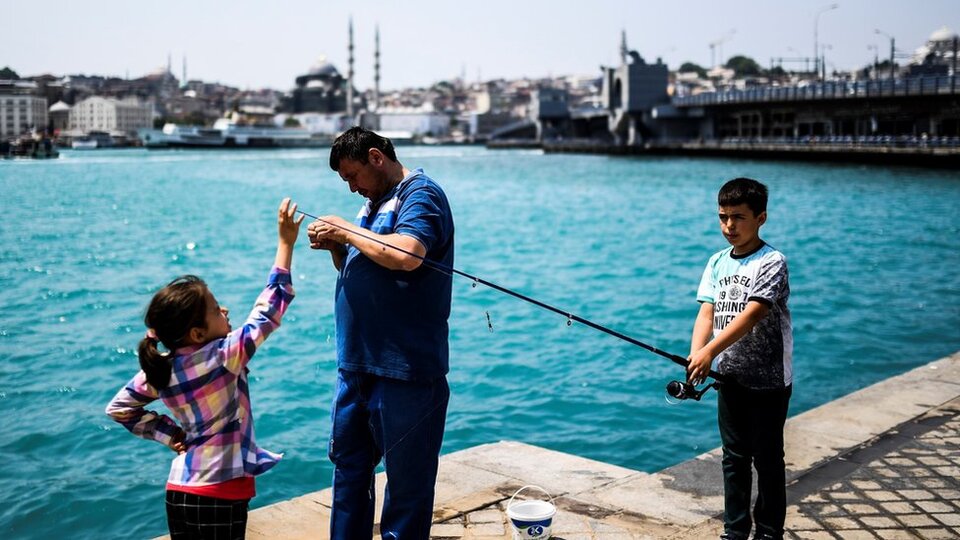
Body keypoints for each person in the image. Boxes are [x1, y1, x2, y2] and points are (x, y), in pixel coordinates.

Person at [105, 198, 304, 540]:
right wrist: (285, 243)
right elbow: (270, 308)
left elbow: (120, 409)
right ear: (197, 333)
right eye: (215, 309)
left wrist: (172, 435)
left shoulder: (162, 368)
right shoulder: (225, 355)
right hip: (219, 489)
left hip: (180, 487)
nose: (224, 309)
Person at [307, 126, 455, 539]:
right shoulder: (373, 203)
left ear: (377, 157)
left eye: (353, 176)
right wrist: (338, 247)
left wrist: (345, 230)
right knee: (349, 474)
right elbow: (366, 267)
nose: (352, 188)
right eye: (345, 182)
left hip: (405, 371)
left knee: (406, 488)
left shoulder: (420, 195)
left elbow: (407, 255)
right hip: (356, 367)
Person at [686, 178, 793, 540]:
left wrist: (708, 352)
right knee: (733, 458)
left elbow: (752, 315)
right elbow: (707, 313)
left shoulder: (772, 261)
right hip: (728, 377)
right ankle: (734, 530)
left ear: (761, 217)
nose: (729, 226)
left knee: (767, 459)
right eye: (723, 217)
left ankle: (768, 531)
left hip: (769, 380)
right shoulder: (716, 262)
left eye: (738, 217)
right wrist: (696, 355)